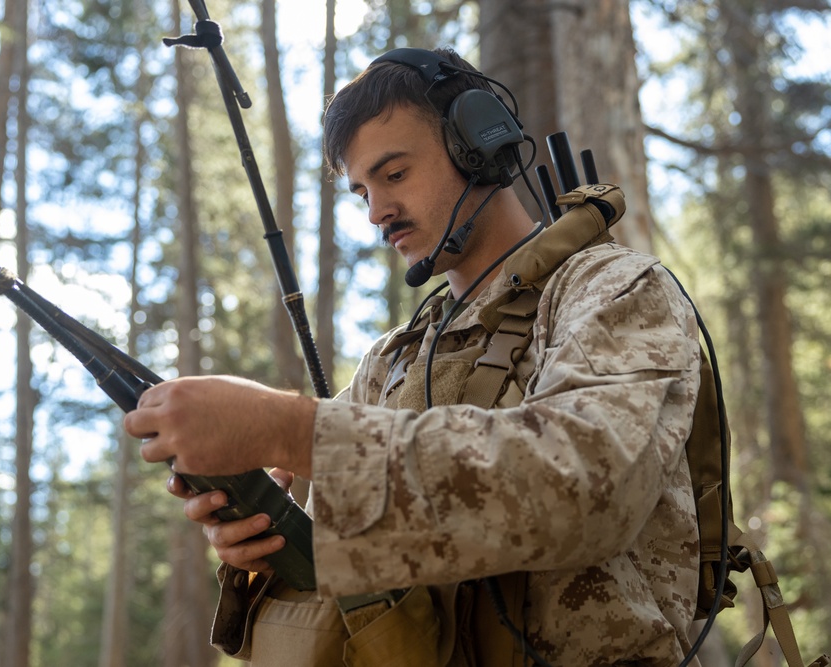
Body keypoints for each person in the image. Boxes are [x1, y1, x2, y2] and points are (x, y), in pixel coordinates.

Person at [125, 47, 703, 666]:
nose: (377, 212)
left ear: (477, 146)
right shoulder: (394, 360)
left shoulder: (612, 288)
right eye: (362, 191)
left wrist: (289, 429)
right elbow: (354, 577)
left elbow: (593, 491)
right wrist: (263, 533)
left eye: (394, 175)